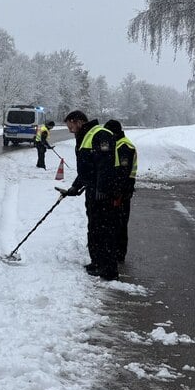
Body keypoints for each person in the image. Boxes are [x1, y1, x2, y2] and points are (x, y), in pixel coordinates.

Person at [59, 110, 119, 281]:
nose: (69, 129)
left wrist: (102, 188)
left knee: (104, 229)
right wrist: (74, 187)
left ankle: (109, 270)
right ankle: (97, 262)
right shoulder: (85, 136)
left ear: (78, 121)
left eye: (70, 125)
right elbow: (88, 170)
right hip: (93, 191)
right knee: (94, 227)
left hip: (103, 192)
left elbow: (105, 164)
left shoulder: (100, 134)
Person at [104, 119, 137, 264]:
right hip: (121, 189)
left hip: (122, 191)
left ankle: (119, 254)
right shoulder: (118, 143)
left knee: (120, 223)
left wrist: (118, 191)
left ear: (113, 132)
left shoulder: (124, 146)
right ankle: (114, 251)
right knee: (115, 222)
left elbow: (123, 172)